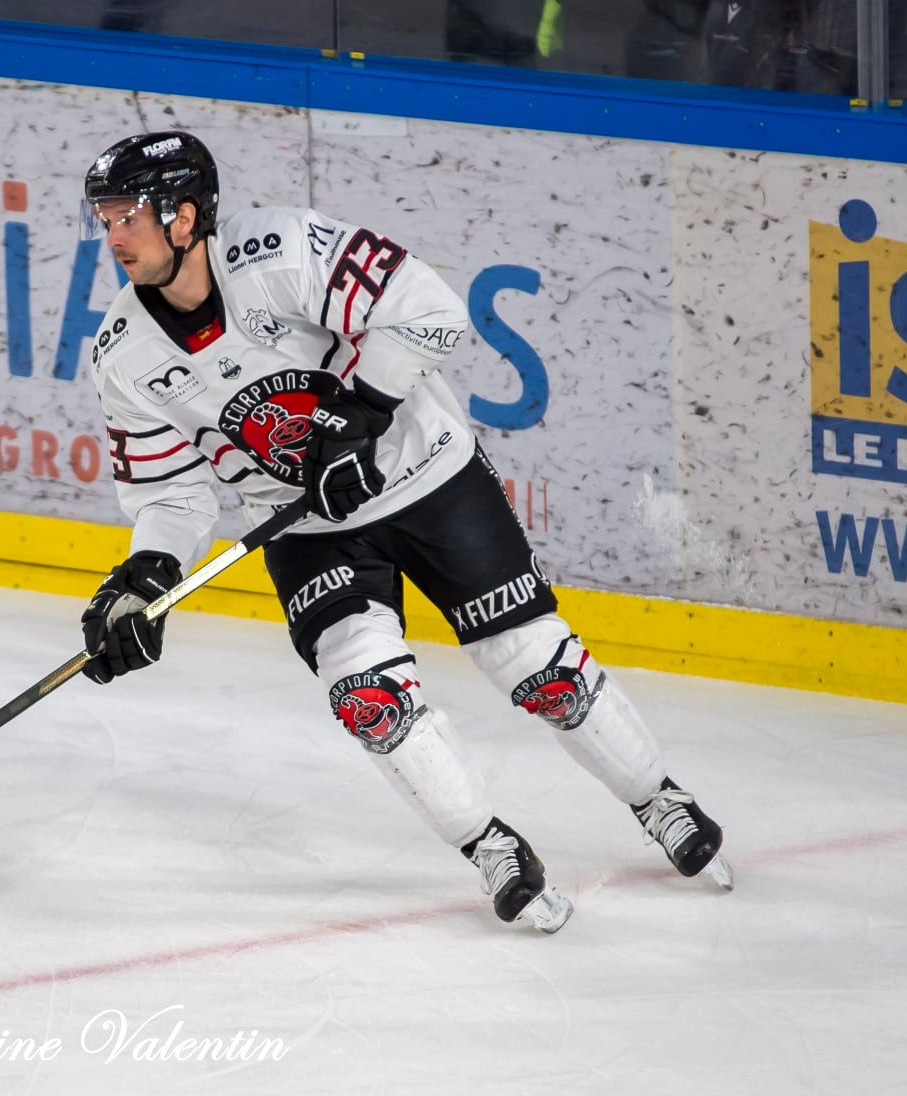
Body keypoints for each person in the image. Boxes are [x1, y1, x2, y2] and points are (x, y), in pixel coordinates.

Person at [76, 131, 732, 932]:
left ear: (183, 217)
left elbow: (430, 310)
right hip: (307, 528)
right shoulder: (121, 353)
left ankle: (656, 798)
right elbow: (172, 495)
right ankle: (488, 847)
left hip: (425, 477)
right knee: (368, 696)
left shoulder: (281, 253)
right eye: (104, 220)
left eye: (125, 217)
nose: (111, 238)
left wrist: (360, 413)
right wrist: (147, 575)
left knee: (536, 666)